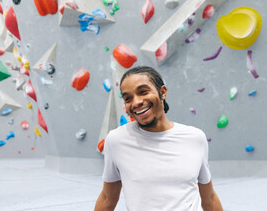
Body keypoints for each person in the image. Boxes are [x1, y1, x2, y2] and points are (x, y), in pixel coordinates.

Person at [94, 66, 223, 211]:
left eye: (143, 92)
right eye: (128, 98)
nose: (136, 102)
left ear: (162, 92)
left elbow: (209, 198)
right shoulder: (117, 140)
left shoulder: (195, 138)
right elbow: (107, 199)